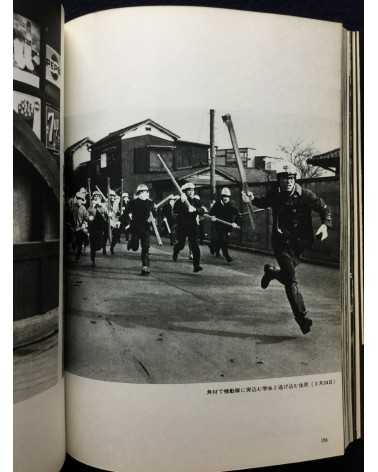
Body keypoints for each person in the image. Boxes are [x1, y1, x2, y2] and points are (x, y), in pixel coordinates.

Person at [242, 171, 331, 334]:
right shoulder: (275, 194)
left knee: (287, 275)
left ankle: (272, 273)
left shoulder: (305, 195)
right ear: (280, 180)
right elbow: (262, 202)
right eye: (284, 178)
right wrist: (251, 199)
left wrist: (325, 225)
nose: (288, 181)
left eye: (291, 178)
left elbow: (324, 209)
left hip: (300, 244)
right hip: (281, 243)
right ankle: (302, 318)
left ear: (294, 180)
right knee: (291, 279)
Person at [172, 182, 205, 273]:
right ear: (185, 192)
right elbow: (175, 211)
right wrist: (181, 202)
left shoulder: (196, 201)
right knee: (181, 244)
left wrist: (195, 209)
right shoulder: (180, 201)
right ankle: (176, 251)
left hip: (192, 226)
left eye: (192, 190)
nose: (191, 192)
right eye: (189, 190)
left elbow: (202, 210)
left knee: (195, 246)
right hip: (182, 226)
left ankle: (196, 265)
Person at [126, 184, 156, 276]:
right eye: (143, 192)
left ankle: (145, 267)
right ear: (139, 193)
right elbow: (125, 213)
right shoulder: (133, 203)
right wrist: (125, 222)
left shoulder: (150, 203)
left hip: (146, 229)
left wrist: (153, 218)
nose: (145, 193)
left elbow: (155, 214)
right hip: (135, 228)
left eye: (147, 192)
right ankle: (131, 242)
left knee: (145, 248)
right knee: (135, 247)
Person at [209, 187, 239, 262]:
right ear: (222, 197)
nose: (226, 198)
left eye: (227, 197)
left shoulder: (232, 204)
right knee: (223, 240)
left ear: (229, 197)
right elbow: (211, 213)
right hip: (218, 225)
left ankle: (213, 247)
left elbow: (238, 215)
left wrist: (235, 222)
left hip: (227, 226)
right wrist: (212, 217)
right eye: (224, 196)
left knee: (221, 240)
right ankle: (226, 256)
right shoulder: (217, 204)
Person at [87, 191, 108, 267]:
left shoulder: (103, 205)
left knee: (98, 245)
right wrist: (93, 207)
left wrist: (100, 206)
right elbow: (89, 214)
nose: (96, 197)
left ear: (100, 198)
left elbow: (105, 213)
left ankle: (102, 249)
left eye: (98, 196)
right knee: (92, 245)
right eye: (95, 196)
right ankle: (93, 260)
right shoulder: (91, 206)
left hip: (100, 228)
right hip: (93, 228)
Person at [71, 192, 89, 262]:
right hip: (73, 228)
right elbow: (68, 215)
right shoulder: (73, 208)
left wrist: (87, 220)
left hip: (80, 228)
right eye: (78, 199)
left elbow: (86, 217)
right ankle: (75, 250)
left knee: (80, 243)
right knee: (73, 242)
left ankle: (77, 257)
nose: (79, 201)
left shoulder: (83, 208)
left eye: (81, 199)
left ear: (82, 200)